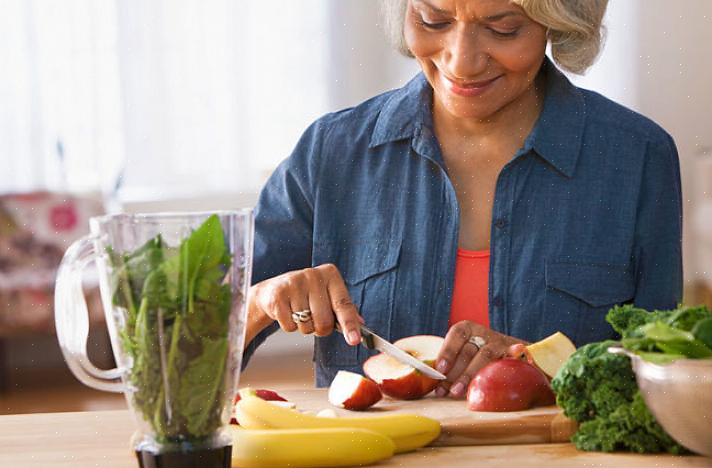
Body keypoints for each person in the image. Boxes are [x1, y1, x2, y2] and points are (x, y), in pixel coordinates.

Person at [242, 0, 682, 399]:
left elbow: (666, 373)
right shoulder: (330, 152)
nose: (461, 61)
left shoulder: (636, 157)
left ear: (558, 22)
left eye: (504, 28)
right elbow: (185, 353)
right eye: (433, 20)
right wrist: (262, 300)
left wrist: (538, 368)